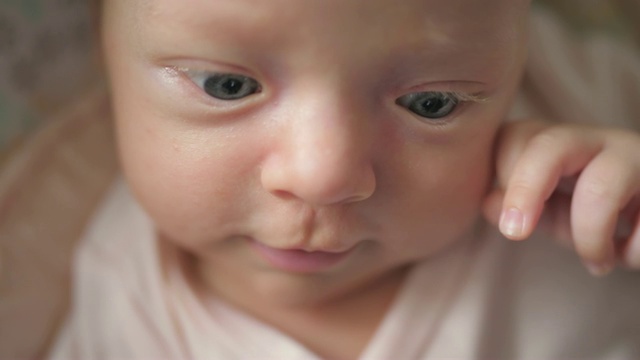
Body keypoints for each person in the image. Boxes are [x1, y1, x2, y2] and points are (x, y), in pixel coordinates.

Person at [50, 0, 640, 358]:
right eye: (227, 86)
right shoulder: (118, 314)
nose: (323, 177)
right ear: (106, 63)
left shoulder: (577, 103)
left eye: (432, 103)